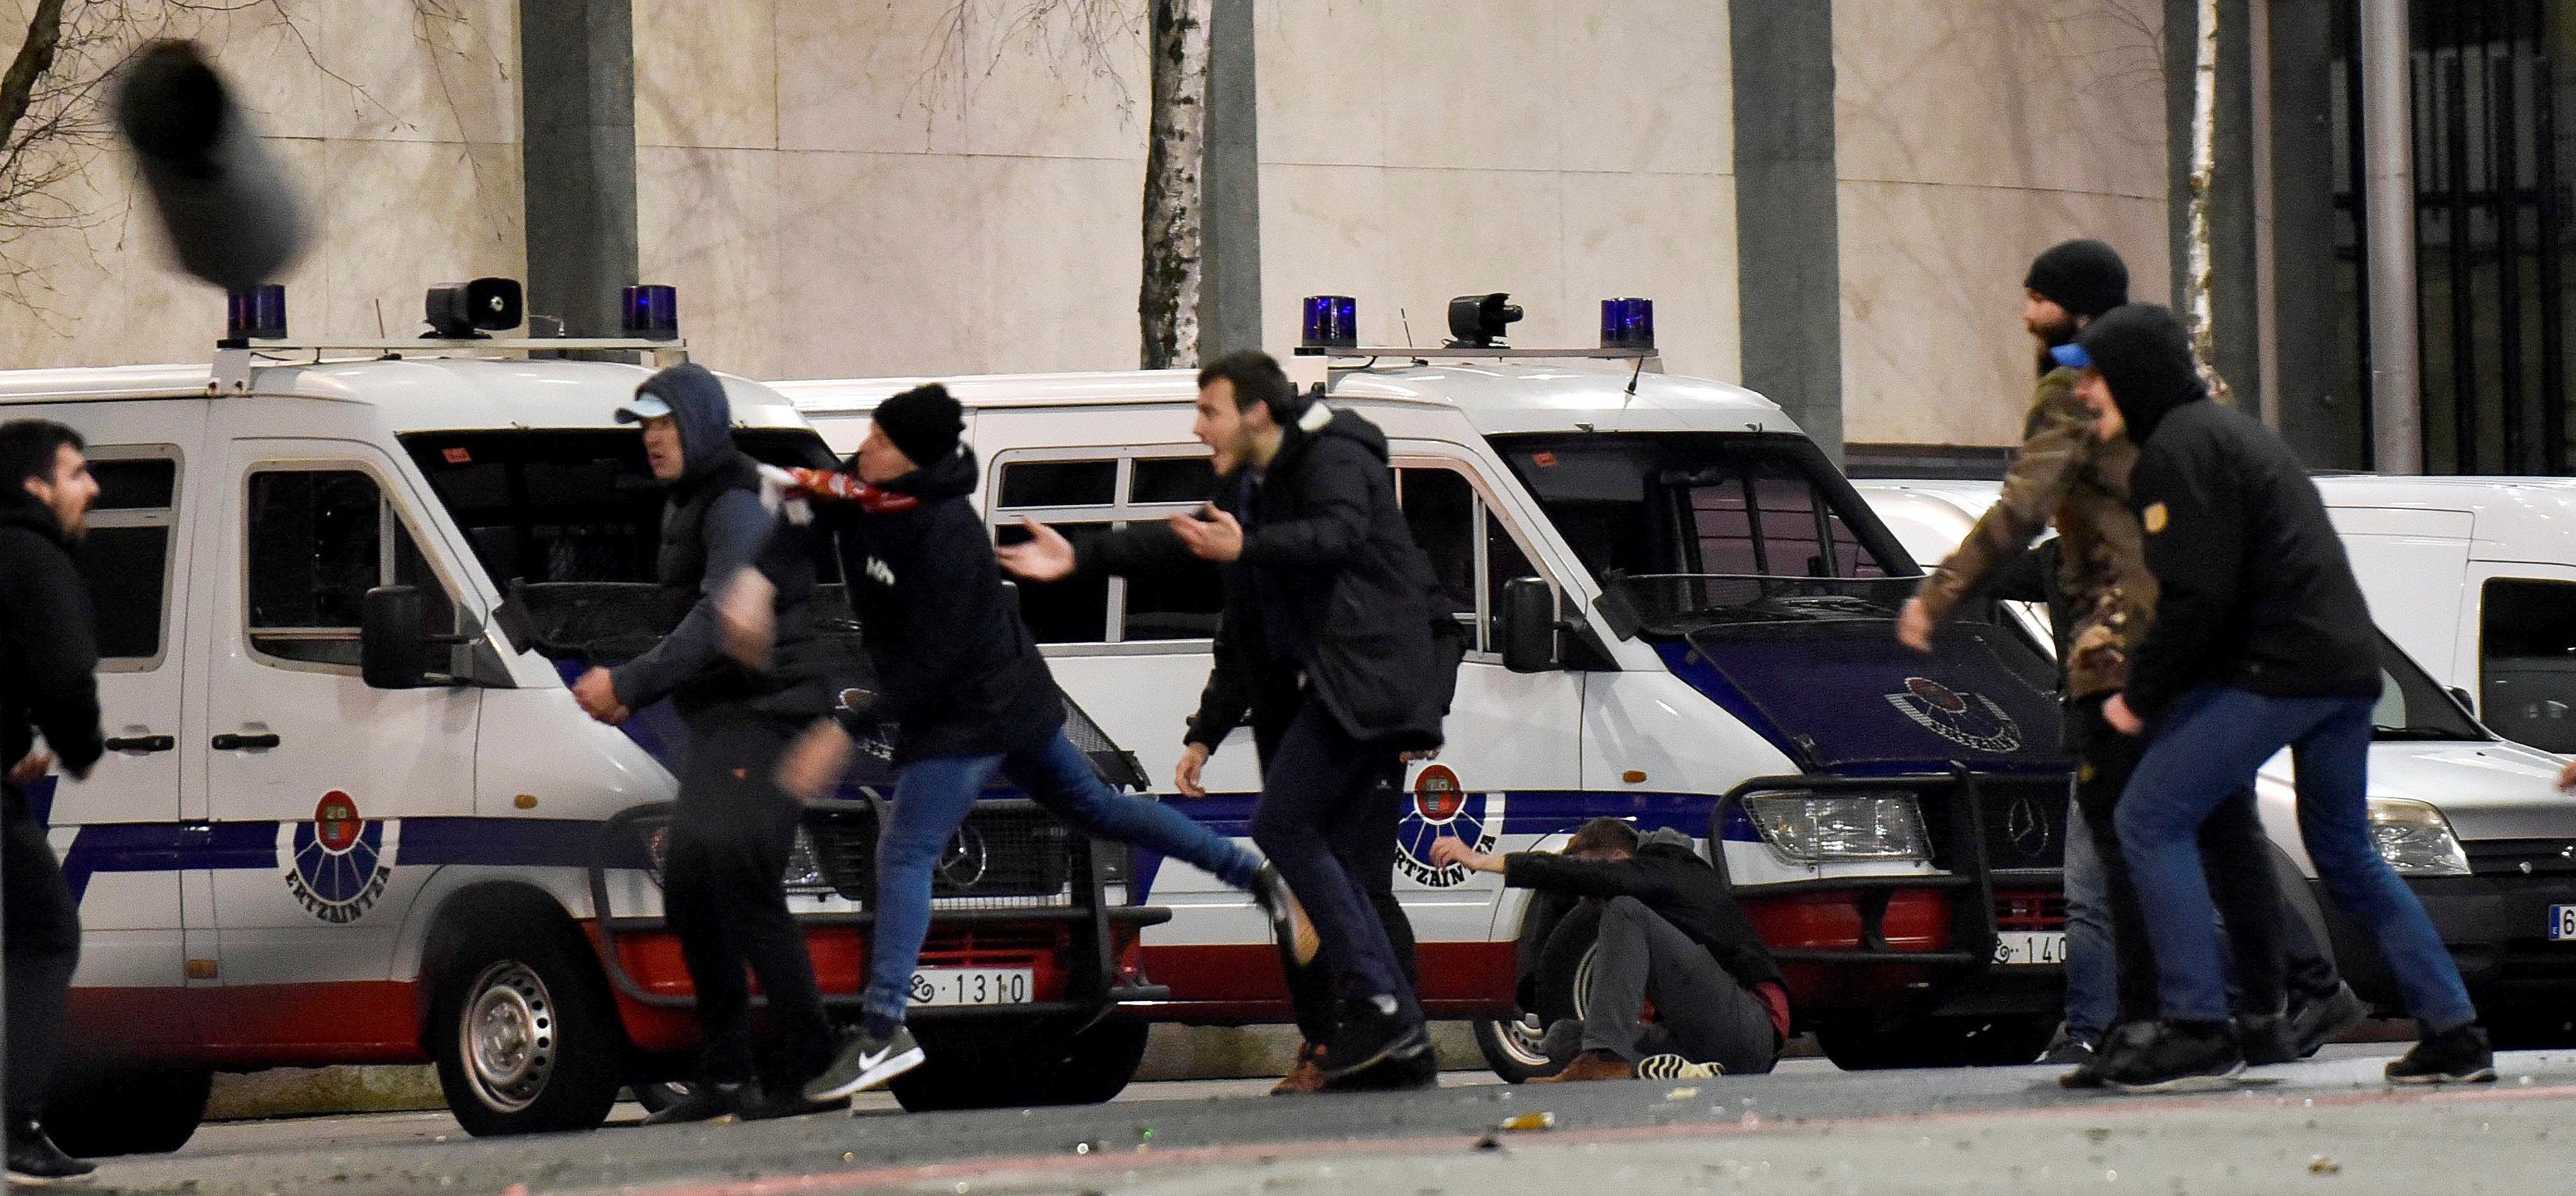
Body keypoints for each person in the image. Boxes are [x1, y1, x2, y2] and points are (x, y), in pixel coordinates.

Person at [746, 383, 1301, 1104]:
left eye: (879, 439)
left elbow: (933, 666)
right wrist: (764, 551)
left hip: (971, 710)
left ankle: (882, 1028)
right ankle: (1253, 874)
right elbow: (817, 505)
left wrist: (844, 726)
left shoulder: (946, 536)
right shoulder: (869, 484)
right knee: (1097, 809)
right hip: (998, 700)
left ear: (912, 457)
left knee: (906, 851)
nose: (864, 448)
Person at [1896, 242, 2361, 1083]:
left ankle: (2151, 1021)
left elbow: (2024, 505)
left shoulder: (2076, 390)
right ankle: (2268, 1003)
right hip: (2193, 635)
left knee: (2119, 835)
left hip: (2121, 640)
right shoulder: (2187, 392)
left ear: (2076, 312)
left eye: (2037, 299)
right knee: (2217, 826)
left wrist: (1938, 595)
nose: (2024, 315)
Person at [998, 350, 1463, 1090]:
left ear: (1255, 412)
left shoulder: (1334, 458)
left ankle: (1381, 1006)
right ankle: (1396, 1034)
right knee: (1326, 863)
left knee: (1285, 828)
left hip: (1366, 685)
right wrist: (1081, 557)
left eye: (1207, 410)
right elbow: (1193, 552)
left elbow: (1337, 534)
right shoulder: (1252, 485)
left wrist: (1247, 544)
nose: (1196, 426)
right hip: (1322, 693)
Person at [2078, 303, 2492, 1090]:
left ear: (2131, 375)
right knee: (2343, 852)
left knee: (2148, 816)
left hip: (2280, 671)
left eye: (2094, 374)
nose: (2082, 391)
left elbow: (2198, 596)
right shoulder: (2233, 433)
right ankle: (2454, 1030)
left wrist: (2141, 694)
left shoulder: (2174, 450)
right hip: (2347, 668)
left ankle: (2196, 1027)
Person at [571, 364, 842, 1123]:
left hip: (767, 717)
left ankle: (814, 1071)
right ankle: (726, 1076)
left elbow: (720, 618)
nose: (652, 439)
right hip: (731, 722)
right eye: (645, 426)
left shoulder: (733, 501)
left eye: (664, 424)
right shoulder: (695, 500)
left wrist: (629, 681)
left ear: (699, 424)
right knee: (694, 887)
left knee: (743, 884)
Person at [1431, 819, 1788, 1080]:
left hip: (1750, 1031)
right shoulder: (1651, 901)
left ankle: (1606, 1059)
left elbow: (1587, 877)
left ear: (1620, 858)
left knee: (1623, 909)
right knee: (1563, 1038)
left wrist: (1482, 861)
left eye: (1593, 874)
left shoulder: (1669, 867)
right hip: (1697, 1039)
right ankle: (1653, 1067)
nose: (1593, 899)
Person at [0, 420, 105, 1180]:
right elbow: (66, 674)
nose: (92, 487)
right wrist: (79, 748)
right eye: (75, 473)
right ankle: (19, 1126)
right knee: (44, 933)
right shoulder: (35, 557)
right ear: (35, 486)